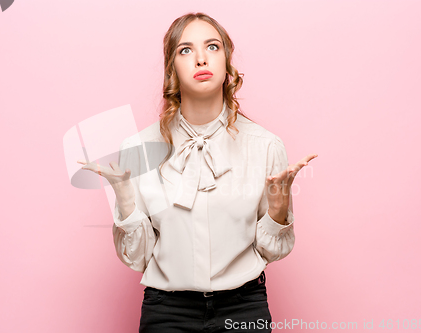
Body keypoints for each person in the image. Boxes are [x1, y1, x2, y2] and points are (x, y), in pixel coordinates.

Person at [78, 12, 317, 333]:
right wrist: (125, 202)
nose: (201, 58)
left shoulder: (265, 145)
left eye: (213, 47)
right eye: (186, 50)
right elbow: (138, 258)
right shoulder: (139, 148)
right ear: (171, 68)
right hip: (167, 312)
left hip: (243, 308)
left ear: (228, 63)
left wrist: (277, 212)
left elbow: (271, 251)